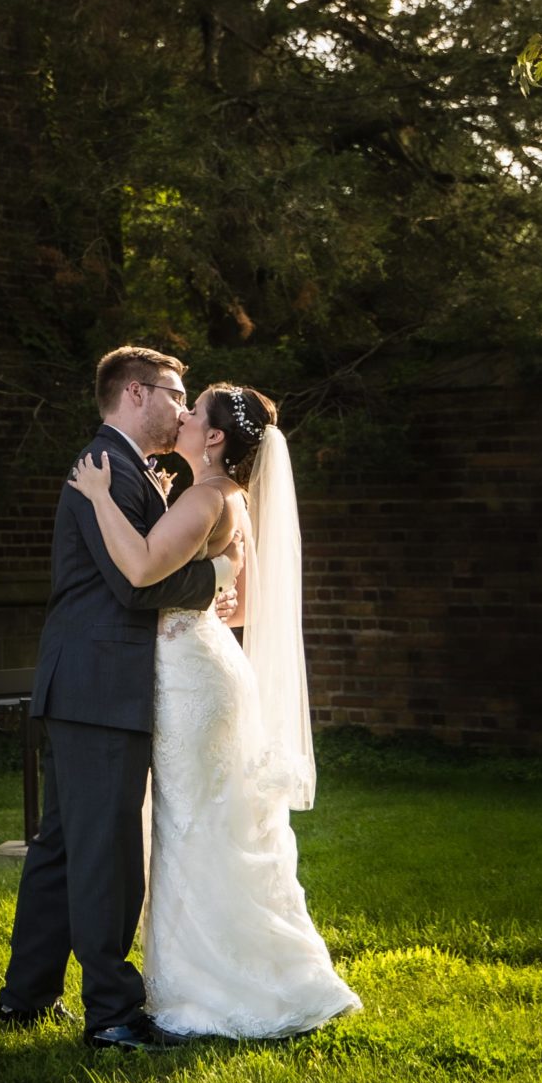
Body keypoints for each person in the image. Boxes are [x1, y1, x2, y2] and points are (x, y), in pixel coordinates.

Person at [68, 382, 360, 1040]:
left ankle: (215, 987)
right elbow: (248, 608)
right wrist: (214, 598)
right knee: (212, 823)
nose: (183, 417)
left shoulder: (203, 497)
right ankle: (254, 970)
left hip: (191, 681)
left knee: (191, 824)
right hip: (209, 668)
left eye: (193, 412)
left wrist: (95, 497)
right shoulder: (233, 500)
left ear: (215, 437)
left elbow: (141, 568)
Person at [0, 345, 240, 1051]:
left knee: (64, 847)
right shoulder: (102, 469)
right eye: (174, 392)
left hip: (85, 681)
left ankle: (24, 998)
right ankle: (110, 1012)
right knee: (106, 852)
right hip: (100, 682)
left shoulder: (131, 469)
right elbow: (133, 585)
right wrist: (217, 573)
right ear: (135, 394)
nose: (182, 406)